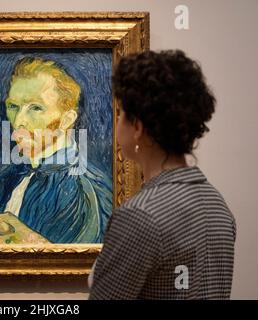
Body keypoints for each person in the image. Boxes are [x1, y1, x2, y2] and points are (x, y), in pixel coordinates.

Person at [89, 50, 236, 299]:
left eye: (121, 113)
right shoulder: (217, 205)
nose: (118, 123)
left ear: (137, 127)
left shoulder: (139, 216)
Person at [0, 57, 112, 243]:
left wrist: (28, 239)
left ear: (67, 119)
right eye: (13, 106)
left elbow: (85, 267)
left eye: (35, 108)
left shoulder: (87, 192)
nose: (19, 120)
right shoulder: (6, 179)